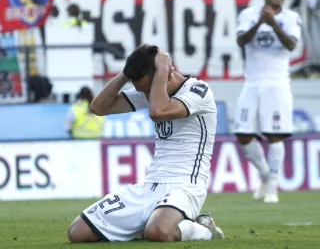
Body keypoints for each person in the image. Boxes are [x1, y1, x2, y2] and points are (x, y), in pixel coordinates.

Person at [67, 44, 224, 243]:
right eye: (144, 91)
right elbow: (98, 107)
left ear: (167, 73)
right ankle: (151, 221)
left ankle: (203, 229)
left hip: (185, 187)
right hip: (149, 187)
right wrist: (126, 73)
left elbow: (158, 111)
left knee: (158, 232)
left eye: (149, 89)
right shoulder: (152, 92)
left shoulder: (198, 91)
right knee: (78, 232)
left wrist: (161, 70)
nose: (147, 96)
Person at [233, 0, 302, 203]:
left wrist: (273, 24)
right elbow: (241, 40)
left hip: (277, 83)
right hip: (252, 82)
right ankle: (264, 175)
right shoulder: (248, 14)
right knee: (243, 134)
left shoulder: (291, 17)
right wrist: (261, 23)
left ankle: (272, 185)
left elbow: (291, 45)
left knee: (274, 134)